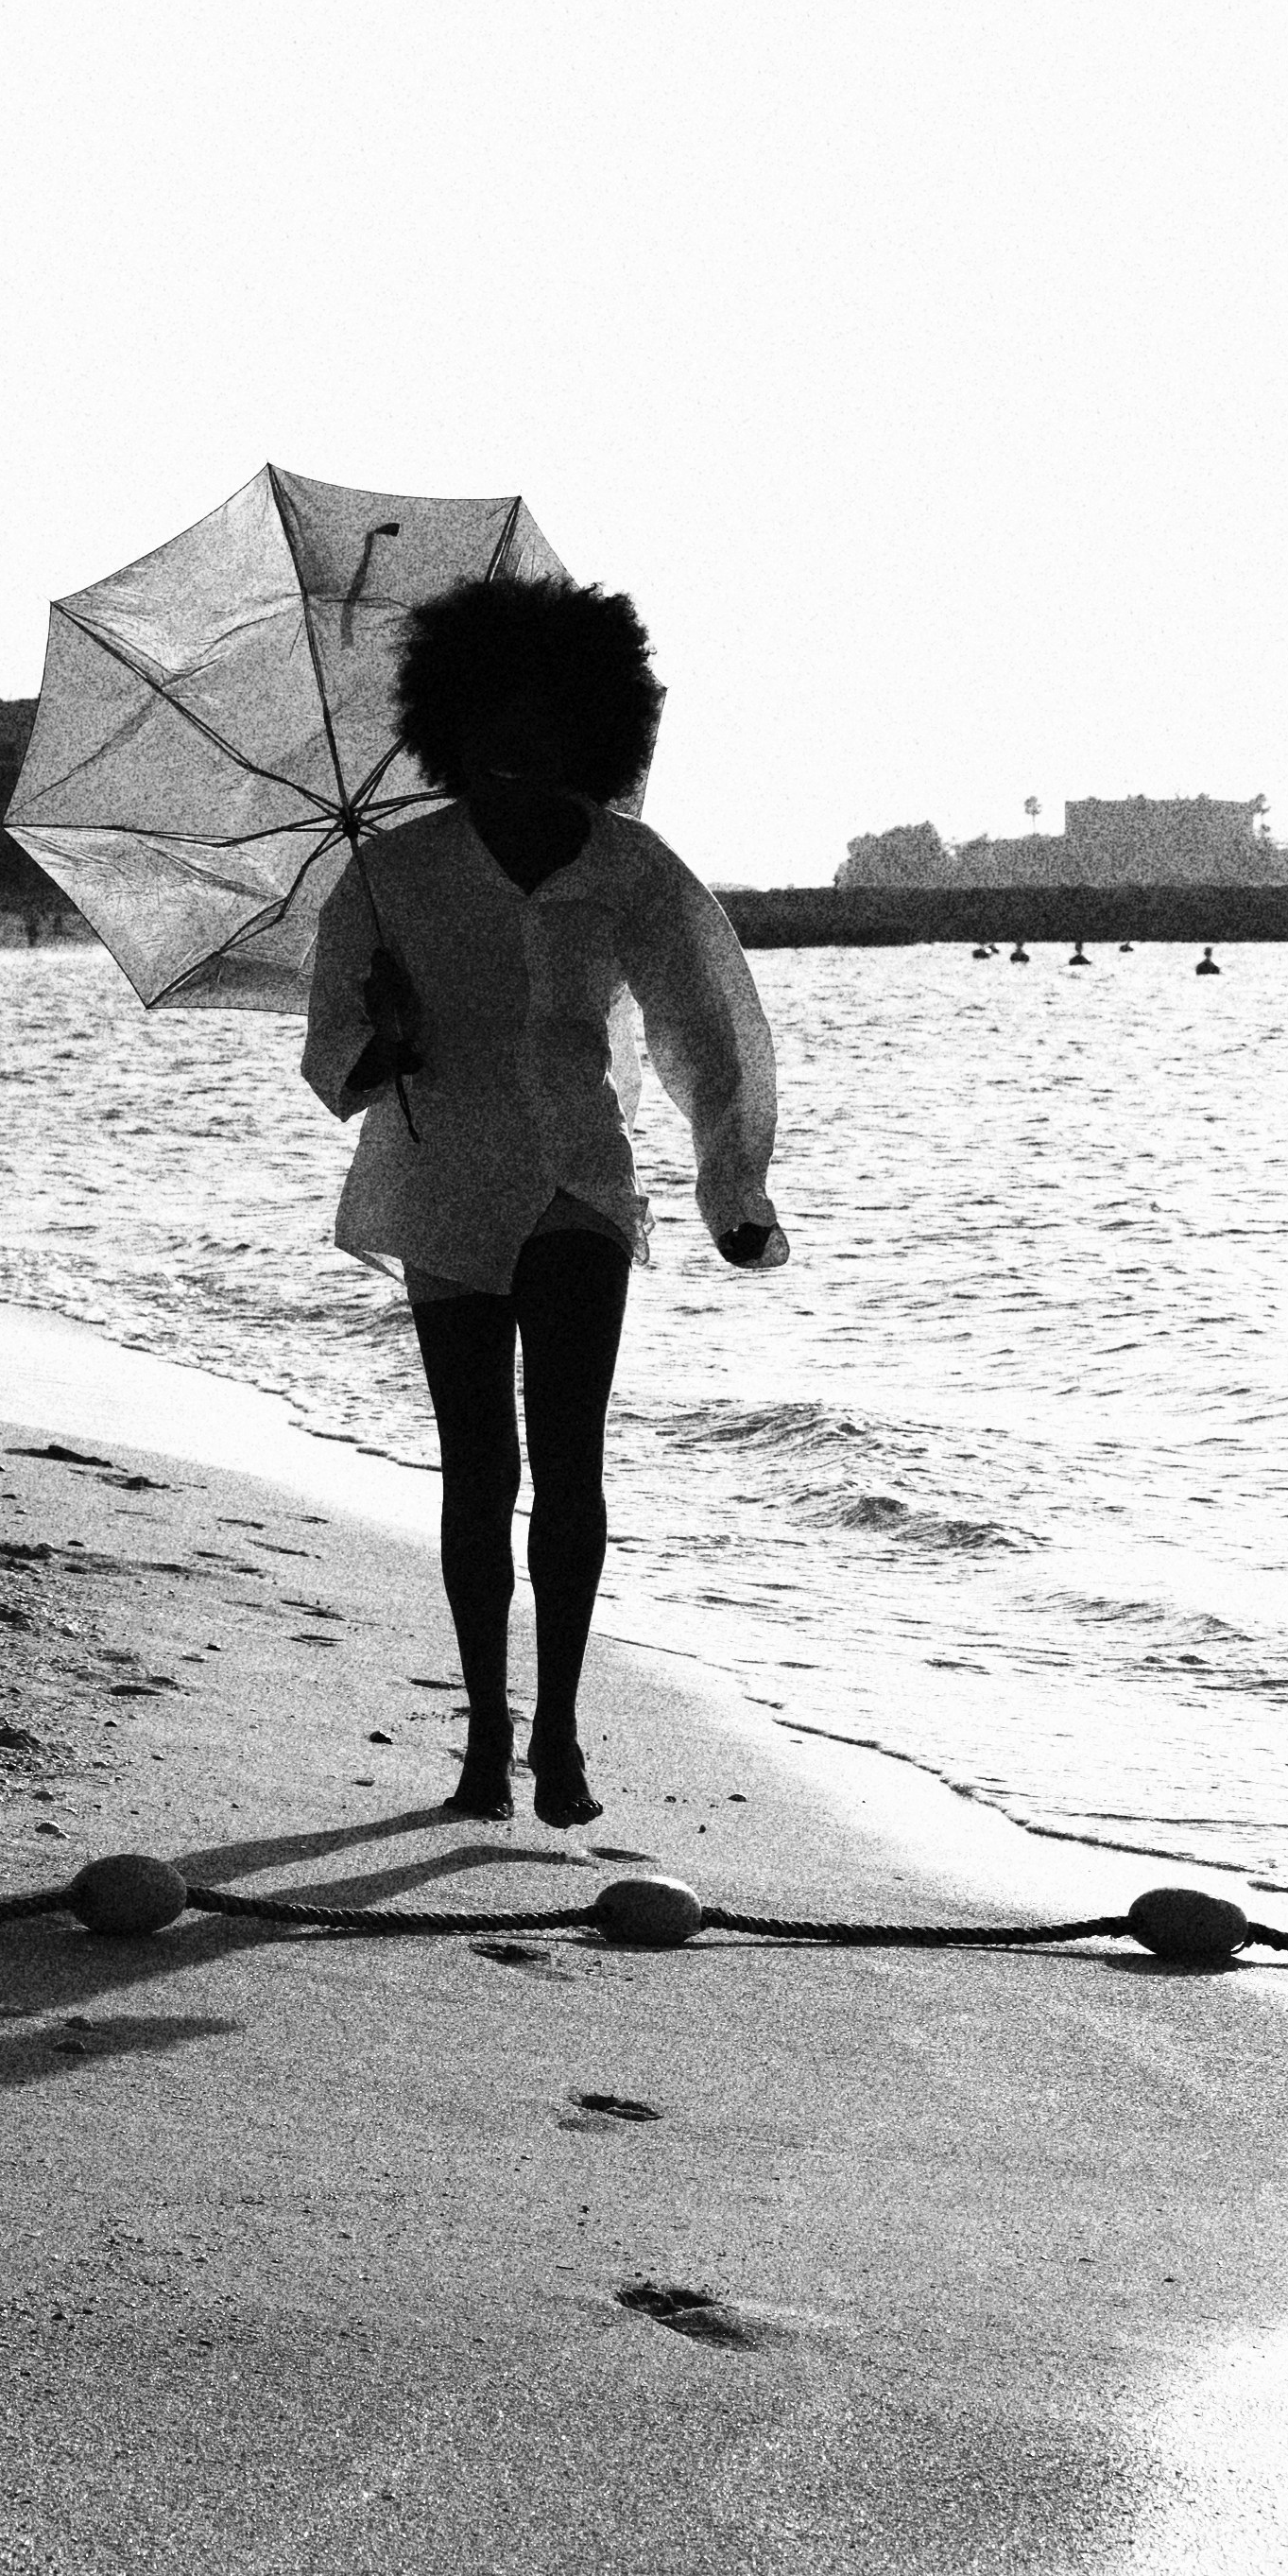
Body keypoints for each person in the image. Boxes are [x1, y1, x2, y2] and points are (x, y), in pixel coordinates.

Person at [302, 573, 785, 1830]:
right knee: (480, 1468)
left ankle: (558, 1731)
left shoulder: (631, 869)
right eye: (489, 721)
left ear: (587, 730)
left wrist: (733, 1186)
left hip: (580, 1179)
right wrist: (385, 1039)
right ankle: (482, 1738)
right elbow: (332, 1062)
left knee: (571, 1464)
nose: (512, 745)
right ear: (448, 727)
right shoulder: (388, 877)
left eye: (539, 722)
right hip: (442, 1182)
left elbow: (709, 1030)